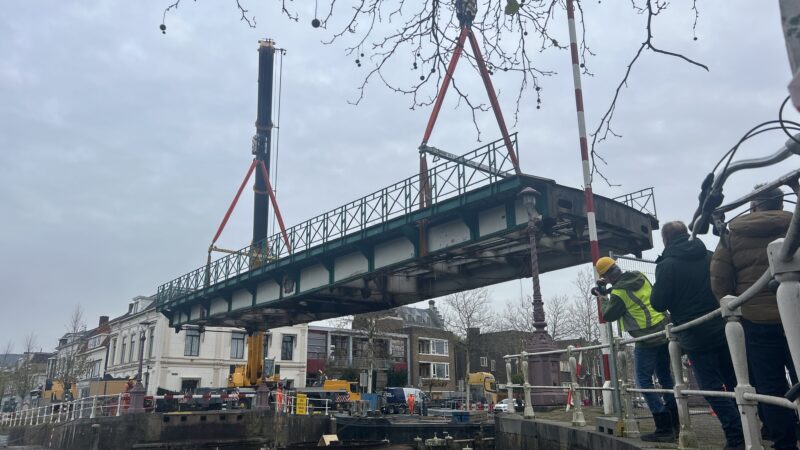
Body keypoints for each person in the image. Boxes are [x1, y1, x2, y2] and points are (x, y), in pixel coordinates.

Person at [710, 185, 798, 450]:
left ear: (753, 206)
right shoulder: (795, 225)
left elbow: (720, 281)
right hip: (796, 313)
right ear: (780, 204)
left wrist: (736, 304)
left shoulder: (732, 236)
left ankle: (784, 443)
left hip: (756, 319)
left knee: (770, 386)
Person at [651, 221, 744, 450]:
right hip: (723, 327)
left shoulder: (667, 265)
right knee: (737, 382)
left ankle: (736, 436)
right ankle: (751, 426)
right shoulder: (710, 255)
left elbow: (658, 302)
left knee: (711, 388)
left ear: (665, 240)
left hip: (695, 334)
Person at [593, 257, 677, 442]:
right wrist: (609, 289)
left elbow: (609, 314)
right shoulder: (639, 276)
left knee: (643, 382)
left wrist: (603, 298)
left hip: (646, 338)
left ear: (606, 277)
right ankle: (676, 422)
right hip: (663, 330)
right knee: (665, 377)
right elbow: (637, 295)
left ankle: (664, 426)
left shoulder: (619, 293)